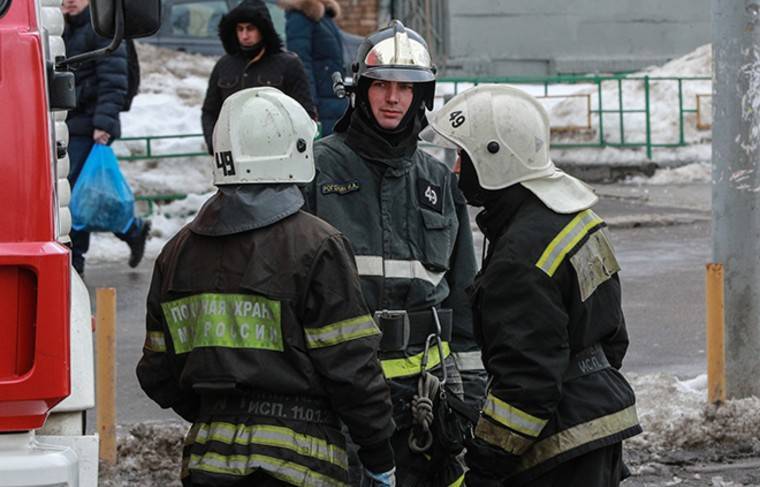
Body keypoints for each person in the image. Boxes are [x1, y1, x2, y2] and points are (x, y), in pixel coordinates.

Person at [136, 87, 396, 487]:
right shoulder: (318, 245)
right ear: (295, 151)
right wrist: (378, 453)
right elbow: (351, 369)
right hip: (302, 465)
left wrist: (219, 408)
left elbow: (157, 372)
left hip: (209, 463)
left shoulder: (177, 253)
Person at [421, 84, 642, 486]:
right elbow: (613, 338)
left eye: (462, 157)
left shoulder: (518, 260)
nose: (455, 170)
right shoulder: (575, 218)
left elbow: (526, 387)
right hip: (599, 427)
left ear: (495, 160)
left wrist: (485, 469)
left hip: (558, 449)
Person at [301, 20, 480, 486]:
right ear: (360, 89)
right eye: (382, 85)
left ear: (423, 97)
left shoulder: (439, 181)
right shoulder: (317, 170)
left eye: (406, 88)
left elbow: (463, 296)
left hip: (425, 394)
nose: (394, 98)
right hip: (340, 393)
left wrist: (472, 392)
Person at [61, 0, 150, 276]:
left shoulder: (101, 29)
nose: (69, 1)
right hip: (66, 124)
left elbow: (114, 80)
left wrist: (103, 124)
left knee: (73, 196)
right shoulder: (60, 30)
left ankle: (75, 262)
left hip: (90, 127)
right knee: (82, 195)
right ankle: (132, 231)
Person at [201, 0, 316, 153]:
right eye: (240, 29)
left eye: (250, 28)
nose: (244, 35)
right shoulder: (224, 65)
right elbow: (210, 111)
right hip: (234, 156)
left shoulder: (288, 64)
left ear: (263, 29)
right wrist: (215, 145)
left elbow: (305, 114)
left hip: (276, 155)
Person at [279, 0, 348, 136]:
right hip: (320, 106)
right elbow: (302, 64)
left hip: (332, 99)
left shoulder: (324, 16)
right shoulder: (301, 17)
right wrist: (310, 106)